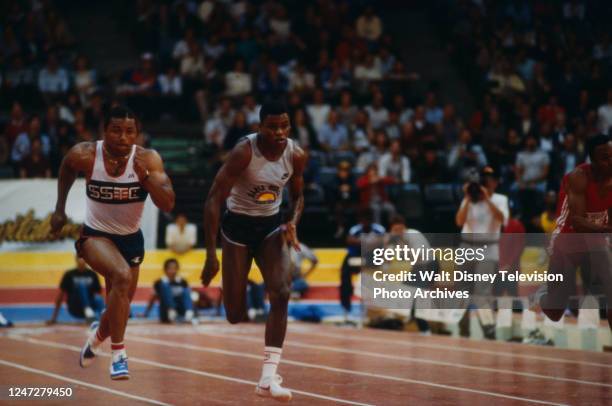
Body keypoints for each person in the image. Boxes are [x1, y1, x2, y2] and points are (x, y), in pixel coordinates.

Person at [50, 105, 175, 380]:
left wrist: (145, 180)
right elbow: (67, 167)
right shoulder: (85, 154)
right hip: (95, 236)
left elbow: (167, 203)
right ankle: (118, 354)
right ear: (104, 131)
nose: (123, 137)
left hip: (131, 240)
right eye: (116, 130)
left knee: (119, 310)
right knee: (120, 276)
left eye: (130, 132)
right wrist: (60, 208)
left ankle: (96, 338)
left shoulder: (148, 160)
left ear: (138, 135)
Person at [200, 101, 306, 401]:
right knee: (235, 314)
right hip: (236, 229)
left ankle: (267, 378)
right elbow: (212, 200)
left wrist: (292, 221)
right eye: (272, 127)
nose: (279, 132)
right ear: (260, 127)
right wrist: (211, 254)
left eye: (284, 126)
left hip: (271, 228)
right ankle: (232, 289)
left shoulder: (296, 155)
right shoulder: (244, 152)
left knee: (282, 291)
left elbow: (299, 196)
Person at [534, 134, 612, 330]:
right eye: (605, 158)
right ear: (592, 161)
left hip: (596, 239)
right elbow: (577, 222)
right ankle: (542, 296)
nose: (610, 161)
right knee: (555, 311)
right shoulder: (578, 177)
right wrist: (607, 229)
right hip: (567, 238)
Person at [455, 166, 509, 339]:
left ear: (496, 181)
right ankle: (463, 331)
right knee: (461, 292)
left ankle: (488, 331)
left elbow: (502, 219)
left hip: (488, 249)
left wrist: (487, 199)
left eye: (490, 179)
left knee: (482, 293)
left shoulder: (500, 199)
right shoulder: (471, 198)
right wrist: (467, 197)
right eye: (484, 179)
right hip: (466, 247)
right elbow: (459, 221)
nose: (486, 182)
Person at [340, 208, 385, 322]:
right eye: (363, 220)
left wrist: (361, 242)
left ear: (371, 220)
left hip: (372, 259)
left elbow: (383, 243)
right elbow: (350, 241)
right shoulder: (355, 229)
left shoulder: (379, 229)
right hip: (355, 257)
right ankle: (346, 309)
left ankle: (370, 310)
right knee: (345, 279)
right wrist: (370, 243)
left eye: (368, 220)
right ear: (360, 220)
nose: (365, 222)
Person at [47, 256, 104, 325]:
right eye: (80, 258)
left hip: (90, 305)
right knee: (81, 285)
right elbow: (60, 296)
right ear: (76, 260)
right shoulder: (69, 274)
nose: (81, 261)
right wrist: (53, 318)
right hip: (74, 306)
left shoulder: (92, 274)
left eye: (84, 259)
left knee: (98, 298)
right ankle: (88, 312)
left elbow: (99, 295)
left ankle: (105, 320)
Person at [141, 259, 195, 323]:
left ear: (178, 269)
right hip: (166, 313)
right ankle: (172, 311)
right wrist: (146, 313)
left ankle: (189, 313)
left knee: (186, 291)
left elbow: (189, 298)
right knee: (165, 286)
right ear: (165, 270)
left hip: (181, 311)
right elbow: (153, 297)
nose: (173, 271)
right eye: (170, 268)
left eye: (175, 268)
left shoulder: (183, 282)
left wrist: (193, 310)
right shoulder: (159, 282)